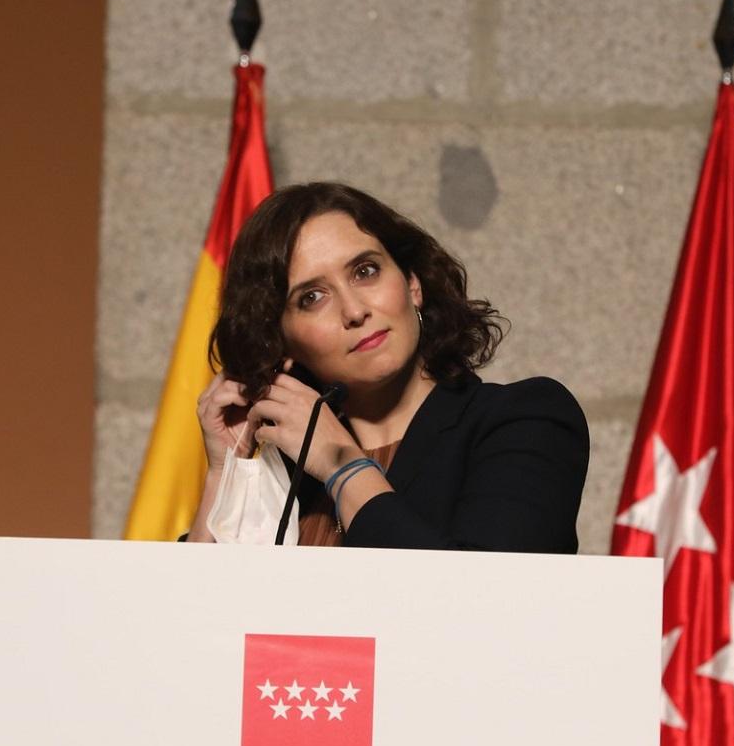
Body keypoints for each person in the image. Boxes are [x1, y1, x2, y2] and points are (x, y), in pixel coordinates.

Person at [186, 182, 588, 552]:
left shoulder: (524, 419)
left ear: (413, 283)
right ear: (281, 342)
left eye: (365, 271)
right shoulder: (285, 474)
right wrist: (225, 473)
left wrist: (341, 463)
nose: (354, 310)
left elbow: (483, 595)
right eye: (312, 297)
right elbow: (190, 604)